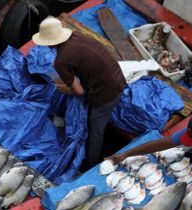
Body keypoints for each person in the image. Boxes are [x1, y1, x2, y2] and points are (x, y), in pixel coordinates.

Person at [32, 16, 126, 170]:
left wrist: (64, 89)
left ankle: (91, 164)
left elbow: (79, 91)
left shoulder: (61, 61)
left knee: (95, 129)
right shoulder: (78, 35)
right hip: (118, 76)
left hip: (107, 93)